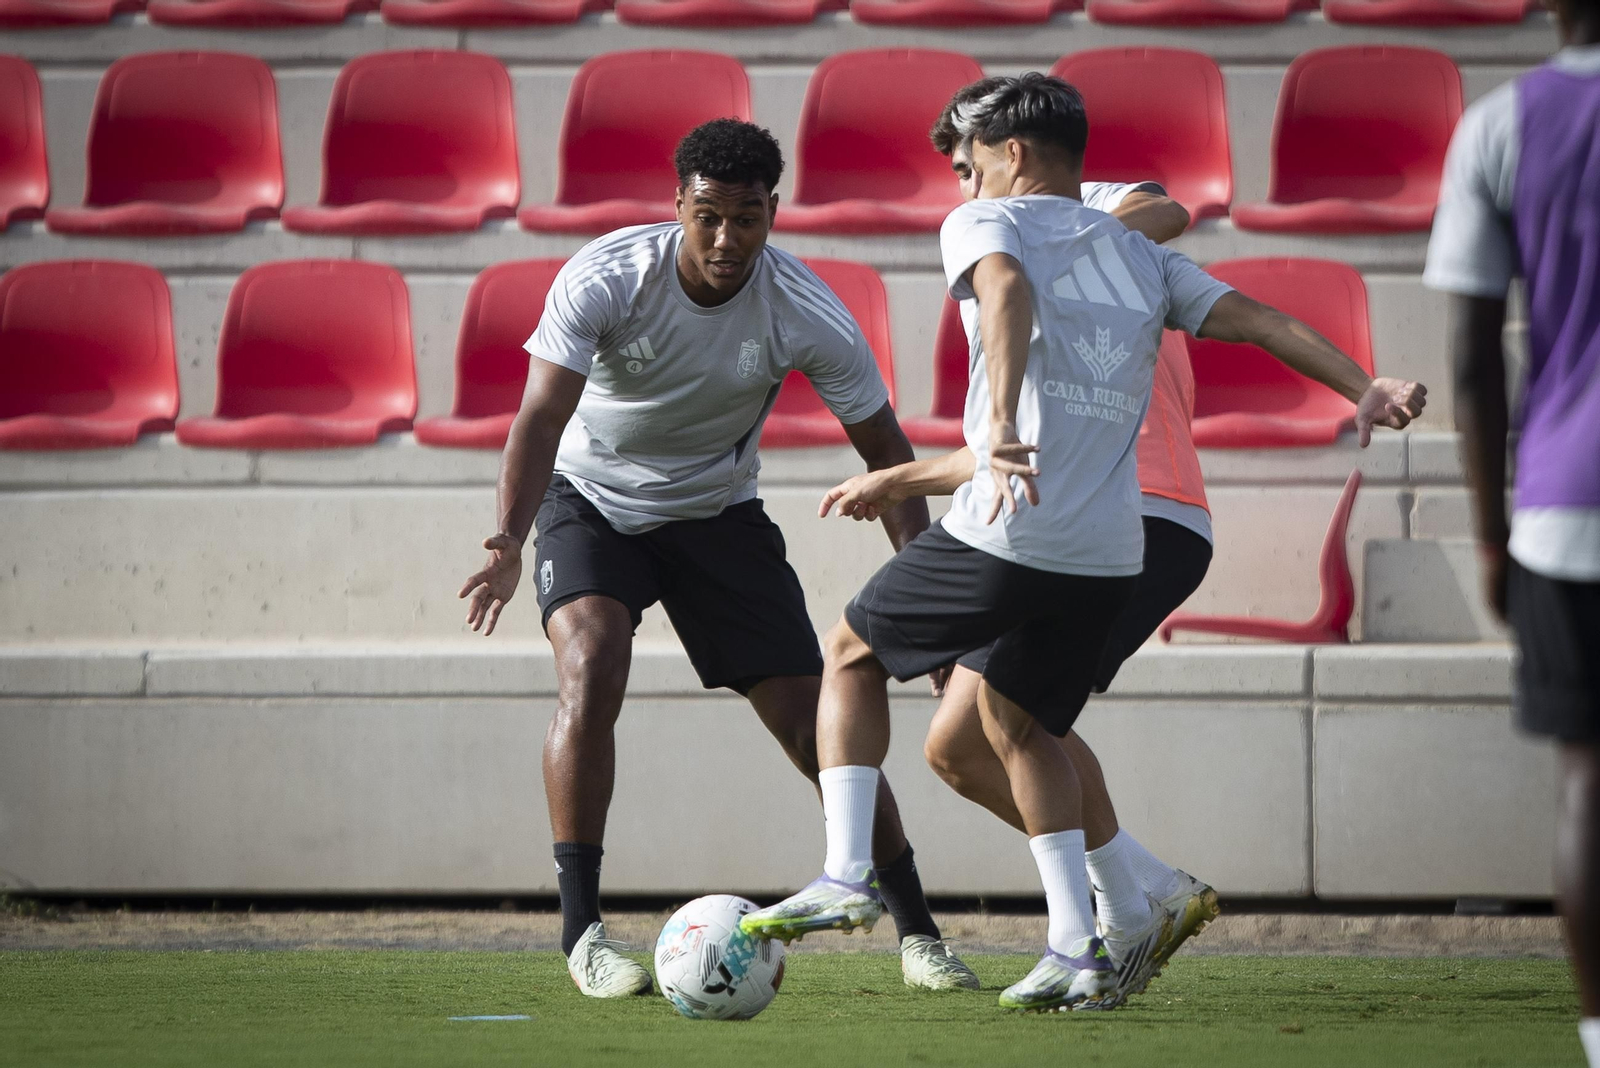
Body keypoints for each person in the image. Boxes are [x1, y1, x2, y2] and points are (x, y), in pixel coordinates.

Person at [743, 74, 1426, 1014]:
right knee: (1015, 726)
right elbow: (1259, 320)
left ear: (1010, 155)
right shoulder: (1145, 262)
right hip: (1106, 552)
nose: (963, 184)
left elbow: (1006, 287)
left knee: (851, 653)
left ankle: (848, 873)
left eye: (970, 163)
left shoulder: (992, 227)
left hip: (1015, 527)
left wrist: (999, 415)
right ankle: (1078, 942)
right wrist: (1364, 386)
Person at [457, 118, 975, 997]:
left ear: (774, 212)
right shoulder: (607, 276)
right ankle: (583, 934)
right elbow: (540, 417)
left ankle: (918, 933)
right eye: (708, 216)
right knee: (591, 661)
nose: (727, 238)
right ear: (677, 207)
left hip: (716, 514)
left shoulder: (803, 309)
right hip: (591, 501)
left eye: (748, 217)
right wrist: (508, 539)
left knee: (816, 721)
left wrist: (928, 607)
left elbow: (885, 451)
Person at [1423, 0, 1600, 1059]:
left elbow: (1470, 357)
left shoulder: (1501, 122)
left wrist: (1490, 534)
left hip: (1566, 504)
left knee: (1588, 777)